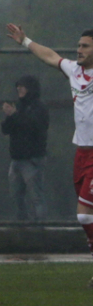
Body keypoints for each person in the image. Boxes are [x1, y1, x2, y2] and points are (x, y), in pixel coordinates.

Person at [6, 23, 93, 288]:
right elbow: (50, 56)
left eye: (85, 46)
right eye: (78, 45)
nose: (78, 50)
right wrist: (25, 41)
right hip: (82, 153)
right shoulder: (75, 71)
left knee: (84, 216)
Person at [1, 75, 49, 220]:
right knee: (16, 195)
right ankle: (22, 225)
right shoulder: (19, 106)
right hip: (16, 159)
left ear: (30, 88)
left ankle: (40, 229)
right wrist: (9, 116)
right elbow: (6, 130)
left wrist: (14, 114)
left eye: (22, 86)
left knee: (36, 197)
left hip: (32, 159)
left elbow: (33, 127)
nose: (19, 88)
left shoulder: (39, 107)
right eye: (18, 86)